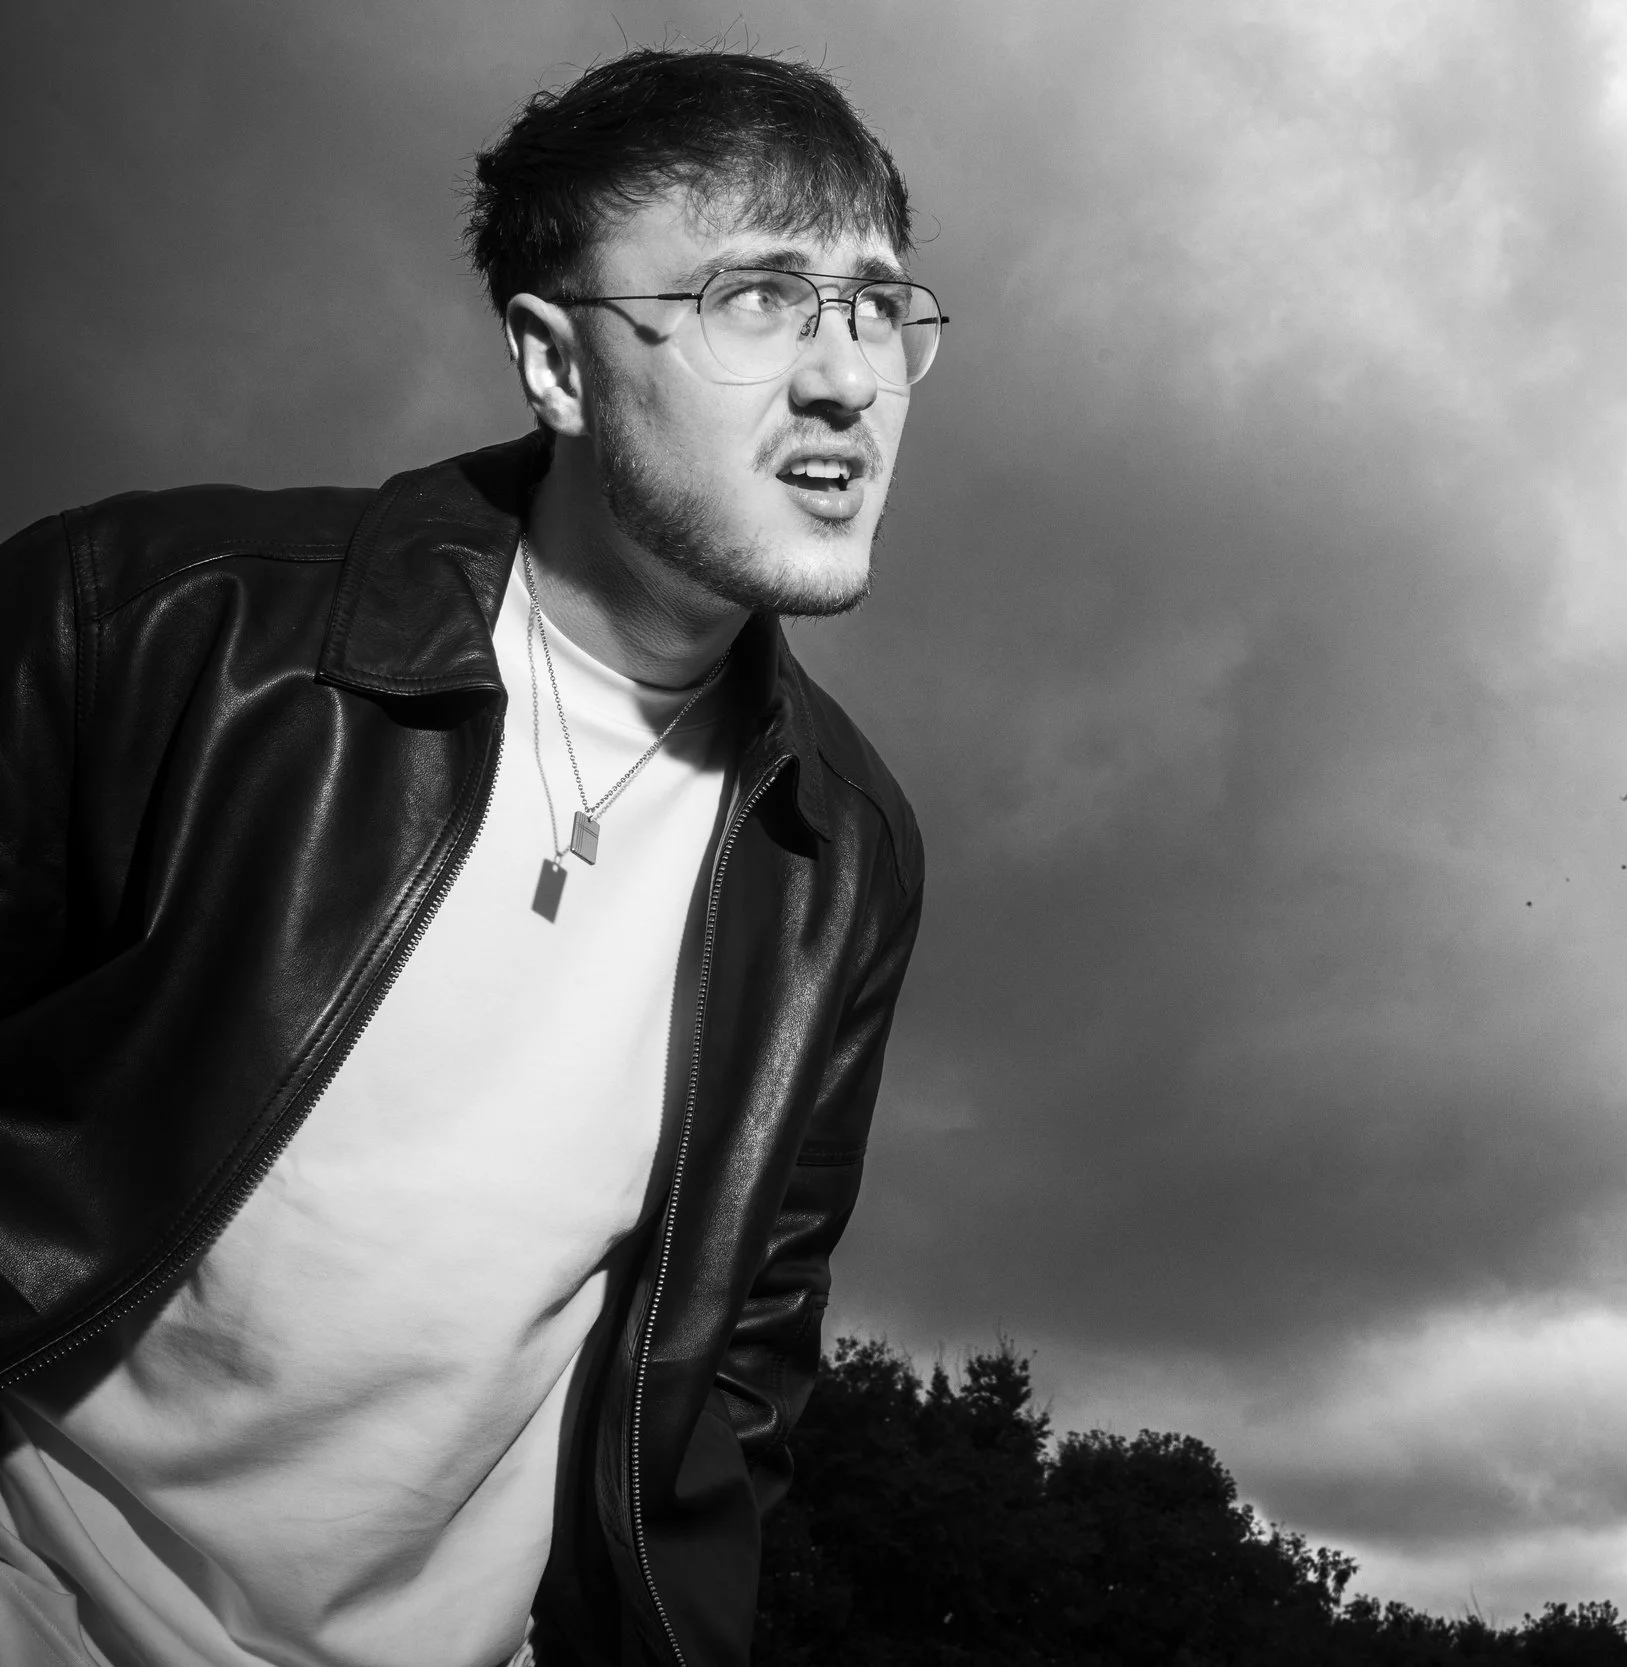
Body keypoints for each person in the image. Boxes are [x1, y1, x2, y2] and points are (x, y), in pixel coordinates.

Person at [0, 48, 936, 1667]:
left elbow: (736, 1367)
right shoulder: (154, 625)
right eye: (758, 297)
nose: (847, 377)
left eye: (876, 302)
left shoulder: (844, 854)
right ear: (555, 364)